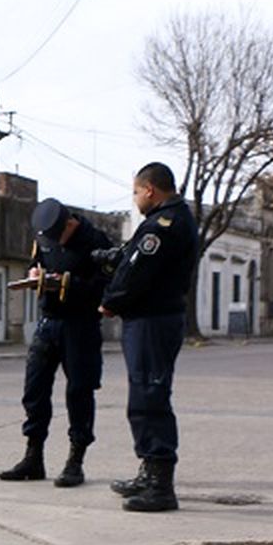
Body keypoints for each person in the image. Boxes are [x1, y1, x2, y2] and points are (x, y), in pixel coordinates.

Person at [99, 162, 198, 513]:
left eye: (136, 192)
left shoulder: (164, 225)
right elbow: (130, 261)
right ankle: (148, 471)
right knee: (144, 393)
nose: (136, 199)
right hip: (151, 318)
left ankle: (160, 485)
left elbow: (137, 271)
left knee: (150, 396)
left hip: (153, 320)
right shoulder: (168, 220)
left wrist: (110, 302)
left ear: (150, 190)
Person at [0, 198, 114, 487]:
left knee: (79, 392)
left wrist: (67, 282)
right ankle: (33, 457)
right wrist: (35, 274)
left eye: (57, 236)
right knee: (34, 390)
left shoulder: (96, 242)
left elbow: (104, 289)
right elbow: (37, 261)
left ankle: (76, 461)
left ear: (70, 225)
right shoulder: (44, 236)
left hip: (81, 325)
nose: (52, 242)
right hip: (48, 322)